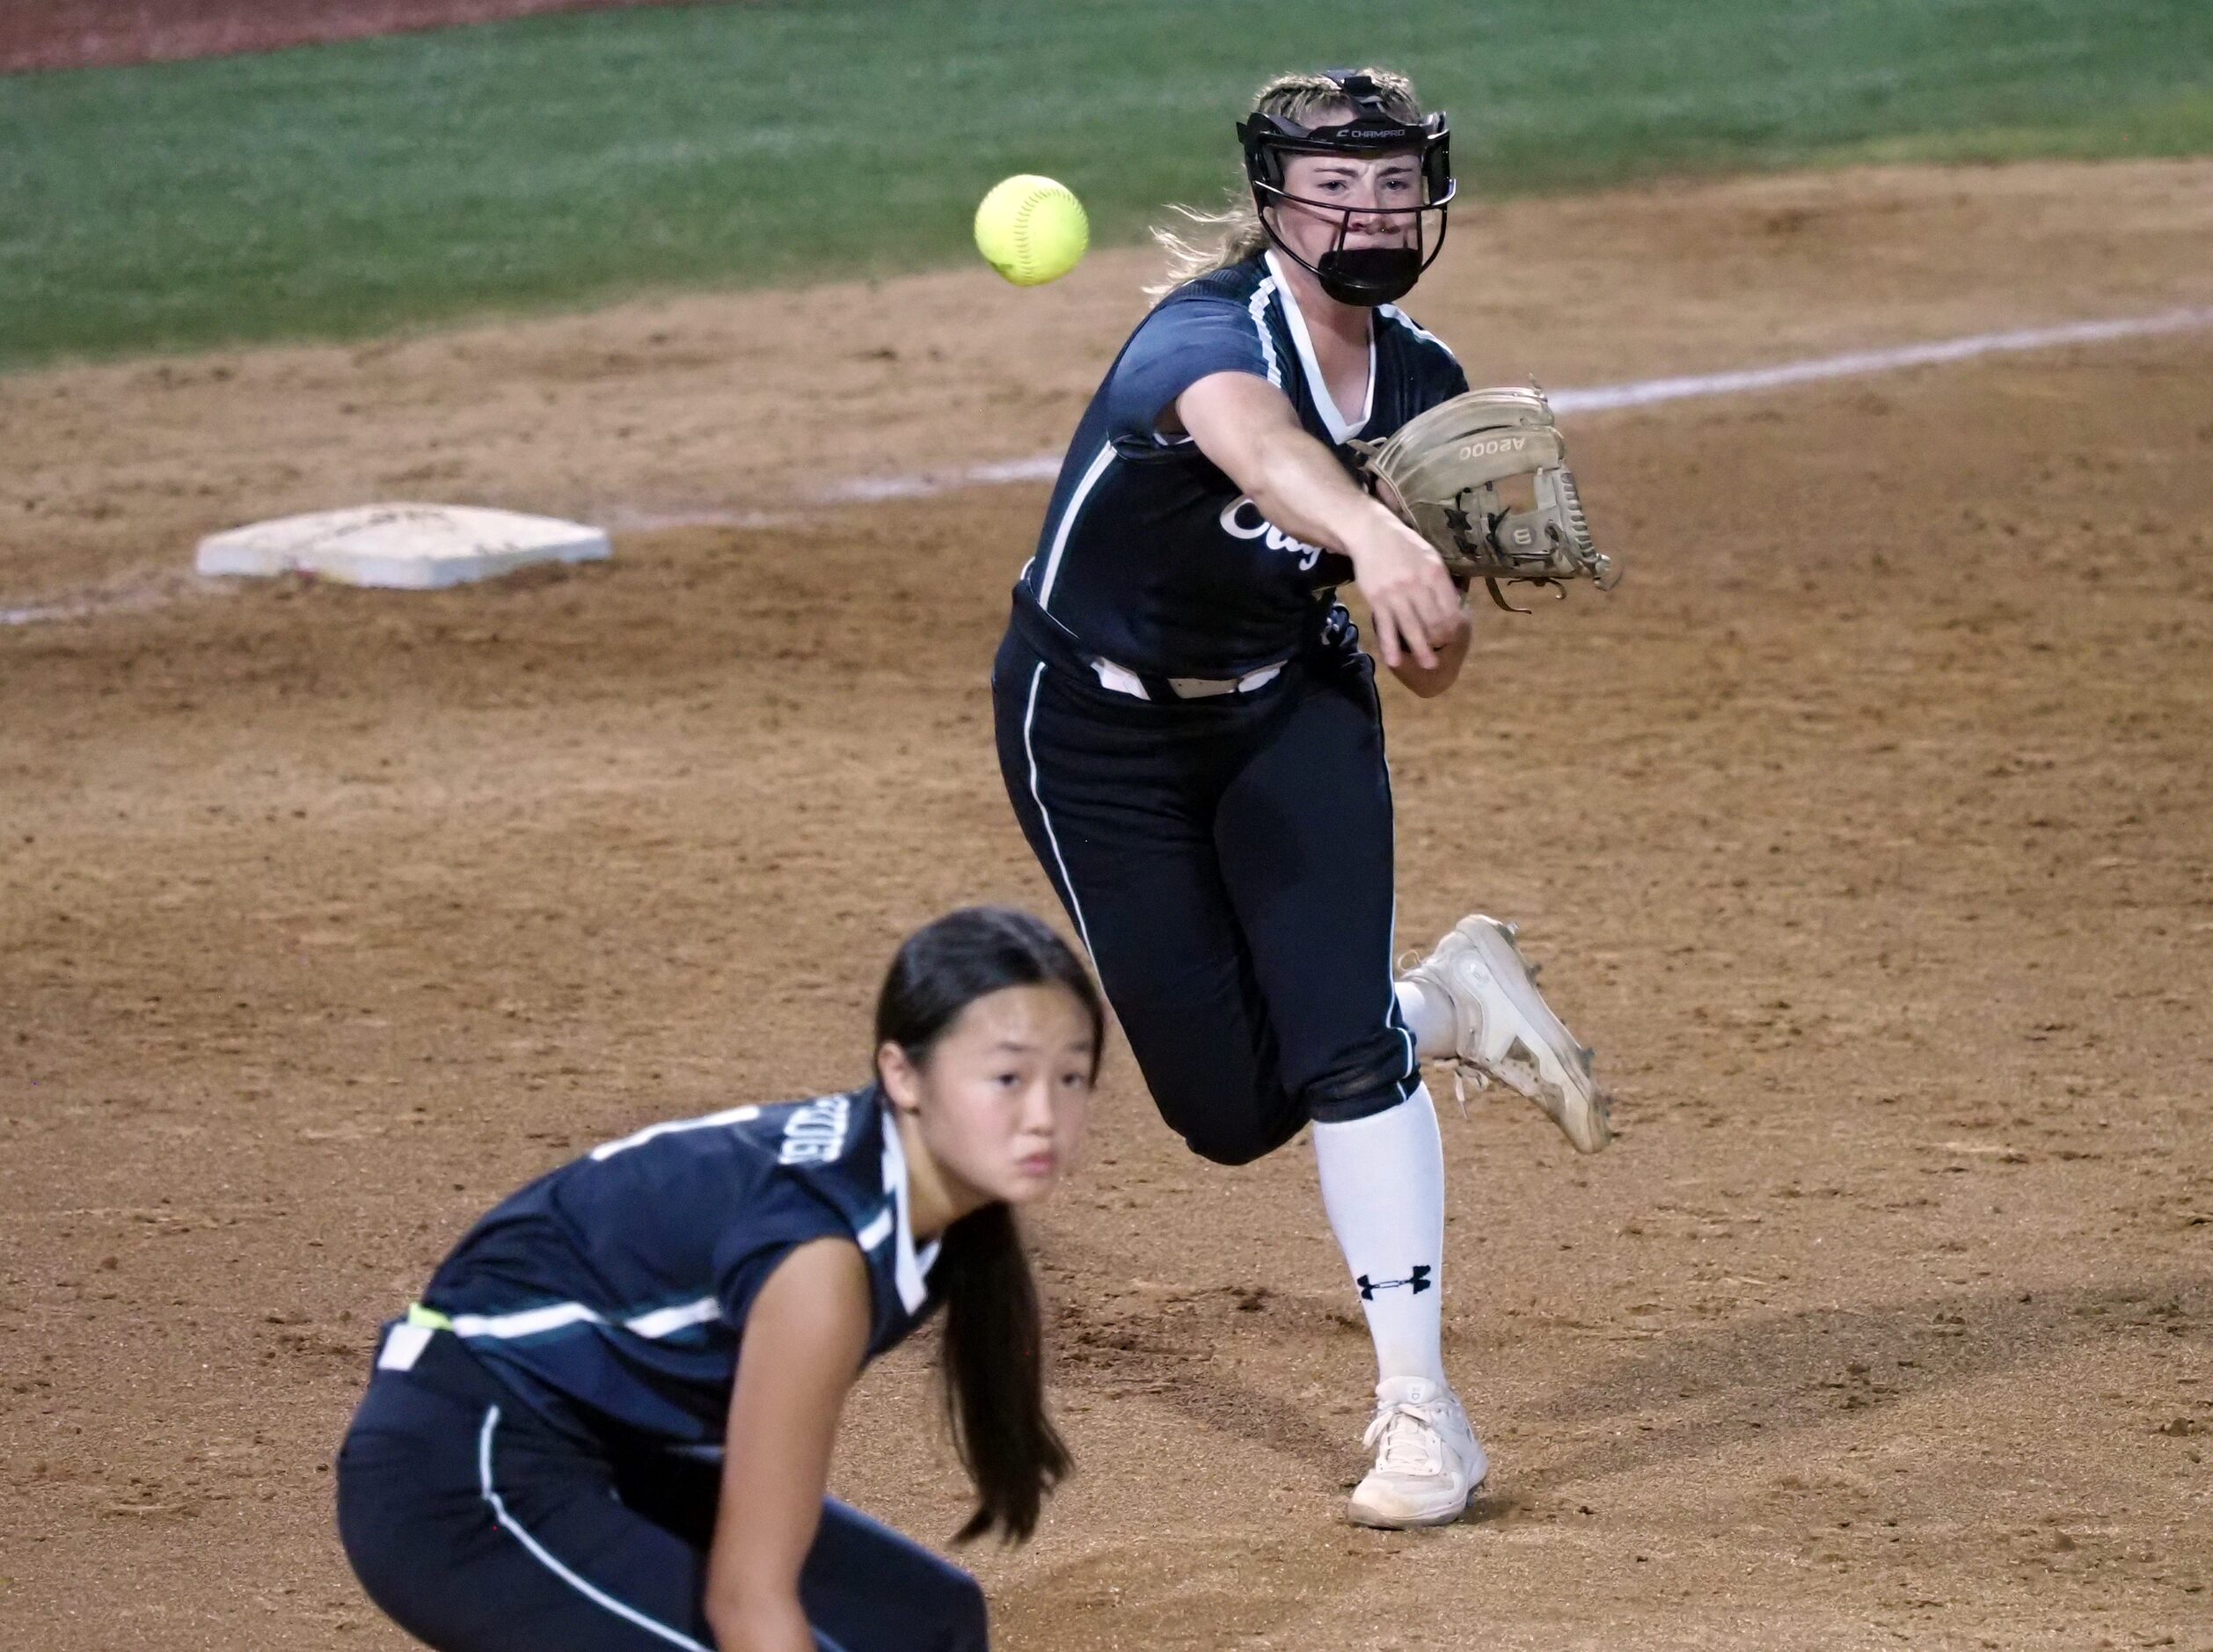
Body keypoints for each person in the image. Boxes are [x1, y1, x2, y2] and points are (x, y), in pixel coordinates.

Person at [990, 67, 1613, 1531]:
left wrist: (1433, 612)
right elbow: (1259, 447)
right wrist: (1365, 530)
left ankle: (1422, 1413)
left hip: (1291, 712)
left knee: (1338, 1056)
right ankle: (1448, 1003)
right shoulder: (1197, 338)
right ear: (1274, 199)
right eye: (1338, 185)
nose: (1371, 209)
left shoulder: (1424, 386)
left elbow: (1429, 666)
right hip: (1092, 732)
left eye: (1396, 181)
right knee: (1225, 1107)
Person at [334, 907, 1103, 1652]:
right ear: (903, 1074)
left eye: (1071, 1078)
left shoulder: (925, 1202)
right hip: (459, 1477)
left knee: (925, 1623)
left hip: (594, 1446)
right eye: (1007, 1078)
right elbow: (748, 1600)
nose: (1043, 1116)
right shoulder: (820, 1260)